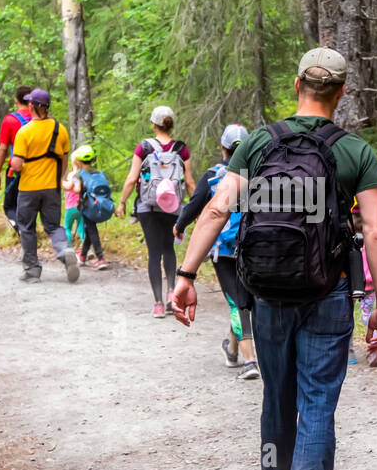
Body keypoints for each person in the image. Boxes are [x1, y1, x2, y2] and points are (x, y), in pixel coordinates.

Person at [171, 47, 377, 470]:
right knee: (317, 401)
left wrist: (186, 274)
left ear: (297, 86)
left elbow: (217, 210)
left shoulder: (257, 143)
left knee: (277, 394)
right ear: (342, 93)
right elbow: (376, 233)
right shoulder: (354, 152)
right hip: (329, 292)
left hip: (266, 295)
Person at [174, 123, 258, 381]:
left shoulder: (213, 175)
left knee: (236, 301)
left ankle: (250, 360)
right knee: (243, 298)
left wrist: (179, 226)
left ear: (222, 147)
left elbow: (196, 204)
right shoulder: (257, 174)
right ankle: (232, 350)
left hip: (223, 250)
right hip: (253, 246)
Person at [115, 105, 195, 318]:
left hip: (147, 206)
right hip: (173, 206)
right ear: (171, 124)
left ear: (153, 124)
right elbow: (188, 182)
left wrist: (122, 202)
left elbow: (133, 178)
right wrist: (197, 207)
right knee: (169, 248)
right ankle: (171, 294)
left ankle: (158, 304)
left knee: (154, 252)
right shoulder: (181, 148)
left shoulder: (144, 147)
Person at [10, 89, 78, 283]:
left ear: (31, 106)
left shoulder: (24, 132)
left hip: (28, 188)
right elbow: (64, 159)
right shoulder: (60, 129)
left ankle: (32, 269)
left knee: (27, 227)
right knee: (53, 226)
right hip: (51, 188)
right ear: (47, 107)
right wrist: (58, 178)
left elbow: (17, 164)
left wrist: (15, 167)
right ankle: (64, 251)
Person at [0, 85, 33, 229]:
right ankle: (29, 234)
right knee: (30, 206)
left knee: (10, 207)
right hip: (38, 168)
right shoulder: (39, 119)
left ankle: (22, 231)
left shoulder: (10, 120)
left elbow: (3, 148)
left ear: (16, 100)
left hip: (16, 170)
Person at [68, 144, 110, 270]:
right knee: (88, 229)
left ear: (79, 161)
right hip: (101, 205)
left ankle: (100, 258)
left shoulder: (79, 174)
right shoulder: (99, 173)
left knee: (91, 230)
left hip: (87, 206)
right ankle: (83, 256)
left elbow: (77, 189)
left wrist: (68, 185)